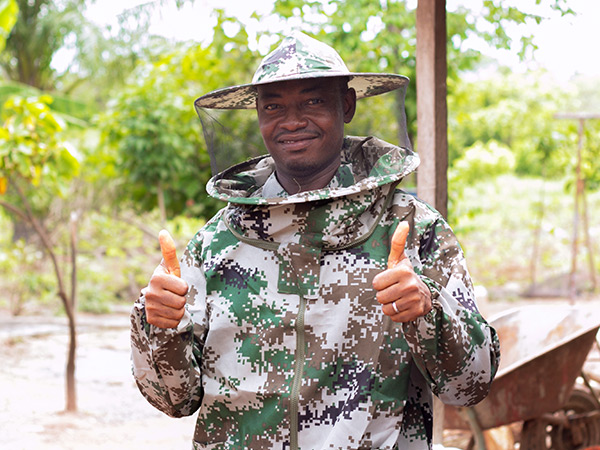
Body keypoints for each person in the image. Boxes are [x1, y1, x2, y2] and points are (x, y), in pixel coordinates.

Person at [130, 31, 500, 450]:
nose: (291, 121)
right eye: (273, 106)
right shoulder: (215, 242)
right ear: (258, 115)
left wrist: (428, 311)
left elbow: (471, 387)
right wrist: (159, 326)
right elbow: (173, 400)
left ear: (346, 104)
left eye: (312, 101)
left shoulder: (412, 228)